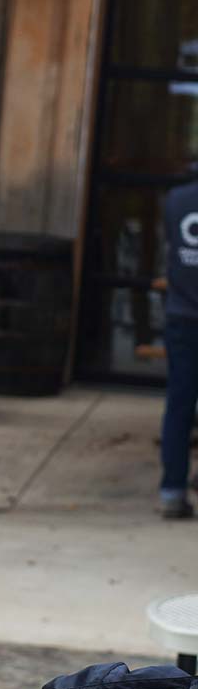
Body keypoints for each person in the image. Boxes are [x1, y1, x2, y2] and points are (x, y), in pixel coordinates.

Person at [160, 174, 198, 518]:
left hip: (182, 315)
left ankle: (172, 490)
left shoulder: (175, 200)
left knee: (179, 405)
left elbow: (171, 249)